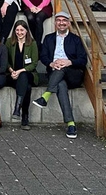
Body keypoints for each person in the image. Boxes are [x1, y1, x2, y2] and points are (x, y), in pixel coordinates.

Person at [33, 11, 87, 139]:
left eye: (64, 20)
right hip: (55, 73)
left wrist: (69, 62)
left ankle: (46, 95)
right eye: (59, 20)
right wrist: (51, 64)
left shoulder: (76, 40)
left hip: (73, 73)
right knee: (61, 85)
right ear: (55, 23)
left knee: (61, 68)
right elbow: (43, 57)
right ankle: (71, 124)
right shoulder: (48, 38)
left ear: (68, 23)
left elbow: (83, 60)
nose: (61, 23)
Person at [6, 20, 39, 130]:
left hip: (28, 74)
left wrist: (19, 71)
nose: (19, 32)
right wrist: (11, 71)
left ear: (26, 31)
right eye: (17, 30)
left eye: (22, 30)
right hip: (12, 75)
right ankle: (25, 116)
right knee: (27, 88)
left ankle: (17, 108)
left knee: (24, 76)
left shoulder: (32, 43)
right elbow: (5, 60)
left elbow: (34, 63)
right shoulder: (9, 42)